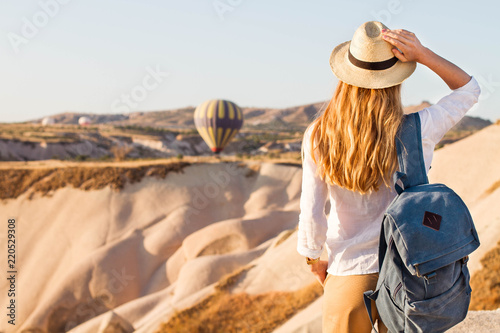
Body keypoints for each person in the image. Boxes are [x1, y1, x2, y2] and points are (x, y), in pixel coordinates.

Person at [296, 21, 481, 333]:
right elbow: (469, 90)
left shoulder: (319, 134)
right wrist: (423, 54)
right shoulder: (420, 127)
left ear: (344, 77)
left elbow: (312, 210)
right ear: (396, 79)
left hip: (348, 273)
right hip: (413, 276)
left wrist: (313, 259)